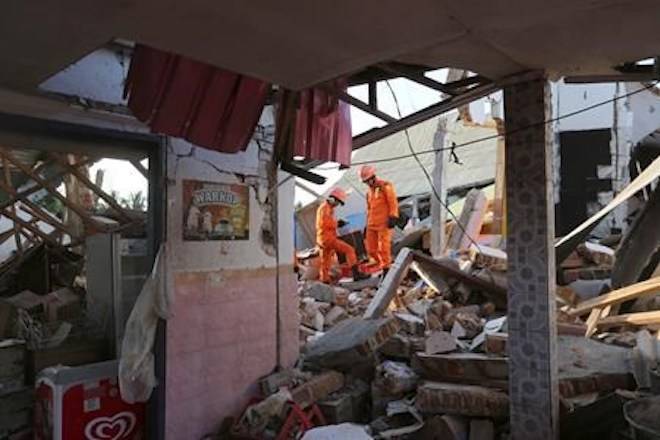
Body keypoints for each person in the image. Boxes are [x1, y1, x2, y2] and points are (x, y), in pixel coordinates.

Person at [316, 188, 369, 283]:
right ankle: (356, 274)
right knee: (349, 250)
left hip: (322, 238)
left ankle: (324, 280)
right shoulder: (325, 208)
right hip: (328, 238)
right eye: (338, 202)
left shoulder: (326, 208)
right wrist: (338, 223)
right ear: (333, 199)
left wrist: (337, 224)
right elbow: (325, 223)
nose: (337, 205)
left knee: (325, 261)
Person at [360, 165, 399, 274]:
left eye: (368, 180)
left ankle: (386, 268)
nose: (367, 183)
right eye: (365, 182)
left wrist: (393, 216)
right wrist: (366, 224)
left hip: (383, 223)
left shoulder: (385, 186)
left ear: (373, 177)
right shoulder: (369, 193)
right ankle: (384, 264)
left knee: (383, 247)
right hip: (372, 224)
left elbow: (393, 202)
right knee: (371, 250)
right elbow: (369, 209)